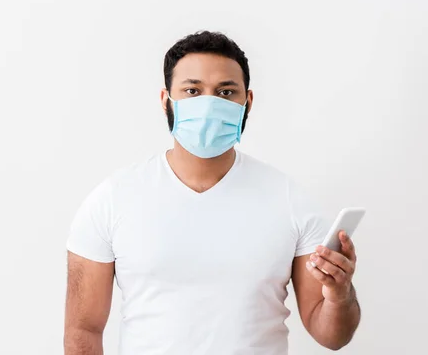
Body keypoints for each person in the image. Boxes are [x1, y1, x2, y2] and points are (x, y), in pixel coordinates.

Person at [64, 31, 361, 355]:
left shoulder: (291, 201)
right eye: (193, 90)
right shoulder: (111, 200)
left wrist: (340, 295)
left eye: (225, 92)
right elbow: (83, 331)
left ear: (246, 102)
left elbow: (332, 335)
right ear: (166, 100)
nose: (209, 105)